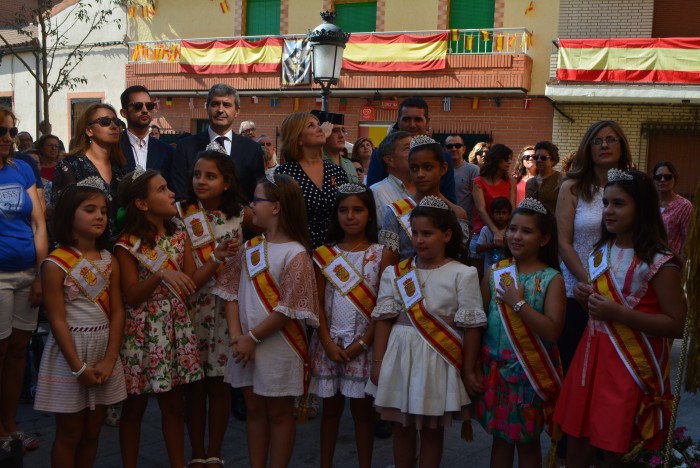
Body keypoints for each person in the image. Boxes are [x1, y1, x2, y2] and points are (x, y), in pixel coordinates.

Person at [554, 169, 687, 466]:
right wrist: (585, 297)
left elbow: (676, 324)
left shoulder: (659, 261)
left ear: (642, 208)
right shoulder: (601, 250)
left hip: (629, 364)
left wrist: (620, 314)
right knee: (577, 438)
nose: (608, 211)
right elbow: (601, 304)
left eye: (619, 204)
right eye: (606, 203)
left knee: (614, 447)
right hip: (591, 359)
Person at [367, 196, 485, 468]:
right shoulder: (396, 274)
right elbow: (384, 320)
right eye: (416, 233)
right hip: (400, 358)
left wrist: (467, 370)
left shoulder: (463, 274)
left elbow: (472, 327)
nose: (419, 240)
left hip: (437, 360)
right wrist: (377, 362)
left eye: (427, 233)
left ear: (447, 235)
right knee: (401, 428)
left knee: (432, 430)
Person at [224, 173, 320, 468]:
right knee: (254, 411)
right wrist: (237, 337)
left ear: (276, 207)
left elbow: (289, 307)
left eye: (257, 200)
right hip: (244, 345)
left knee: (279, 413)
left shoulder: (296, 253)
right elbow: (230, 293)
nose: (251, 206)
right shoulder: (249, 247)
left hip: (278, 345)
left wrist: (251, 338)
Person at [115, 169, 209, 468]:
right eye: (162, 189)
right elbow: (131, 295)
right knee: (133, 409)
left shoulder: (180, 234)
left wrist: (218, 257)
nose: (172, 194)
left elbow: (191, 279)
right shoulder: (127, 243)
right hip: (141, 332)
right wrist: (159, 275)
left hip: (175, 329)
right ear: (142, 203)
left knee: (174, 407)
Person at [34, 183, 127, 466]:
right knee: (70, 433)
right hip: (69, 355)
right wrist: (78, 367)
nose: (100, 216)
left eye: (103, 211)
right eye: (90, 210)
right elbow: (57, 319)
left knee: (92, 431)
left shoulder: (110, 259)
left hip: (101, 352)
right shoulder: (55, 264)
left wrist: (110, 359)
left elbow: (117, 311)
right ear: (68, 216)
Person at [473, 197, 566, 468]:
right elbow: (479, 320)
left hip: (529, 375)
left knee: (527, 441)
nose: (515, 236)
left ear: (544, 238)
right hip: (494, 371)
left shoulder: (552, 279)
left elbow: (552, 331)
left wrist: (518, 303)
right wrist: (474, 366)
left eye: (526, 231)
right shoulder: (495, 272)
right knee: (500, 440)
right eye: (513, 229)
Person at [178, 149, 248, 468]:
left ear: (227, 182)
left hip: (225, 308)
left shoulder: (241, 216)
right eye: (197, 174)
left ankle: (215, 452)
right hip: (191, 306)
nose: (201, 181)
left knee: (220, 384)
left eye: (210, 176)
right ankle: (195, 453)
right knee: (194, 387)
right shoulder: (180, 213)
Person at [309, 183, 386, 468]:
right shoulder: (323, 254)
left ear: (369, 214)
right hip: (329, 344)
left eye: (358, 209)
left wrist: (363, 343)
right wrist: (327, 342)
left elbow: (384, 306)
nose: (350, 216)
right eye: (343, 210)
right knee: (330, 411)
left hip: (363, 346)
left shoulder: (382, 254)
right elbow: (317, 301)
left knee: (363, 414)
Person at [555, 120, 632, 378]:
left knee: (611, 373)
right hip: (577, 290)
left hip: (621, 290)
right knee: (574, 369)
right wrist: (589, 282)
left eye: (611, 139)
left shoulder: (635, 186)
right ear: (587, 149)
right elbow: (564, 243)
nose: (604, 145)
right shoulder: (572, 186)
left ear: (622, 145)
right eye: (596, 141)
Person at [0, 107, 48, 454]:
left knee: (18, 352)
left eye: (11, 131)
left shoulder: (22, 169)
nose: (7, 138)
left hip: (27, 272)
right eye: (1, 131)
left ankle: (11, 424)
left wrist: (41, 274)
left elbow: (38, 223)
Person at [379, 136, 468, 266]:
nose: (420, 174)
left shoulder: (457, 213)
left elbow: (460, 262)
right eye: (414, 168)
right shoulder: (395, 212)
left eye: (428, 167)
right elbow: (389, 264)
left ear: (443, 168)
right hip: (406, 284)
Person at [172, 84, 265, 201]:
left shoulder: (253, 150)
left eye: (227, 105)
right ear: (207, 108)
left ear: (237, 111)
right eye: (215, 104)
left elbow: (257, 194)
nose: (220, 110)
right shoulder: (186, 147)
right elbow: (180, 193)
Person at [275, 112, 348, 248]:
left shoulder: (337, 171)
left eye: (318, 125)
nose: (320, 129)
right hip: (299, 249)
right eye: (311, 126)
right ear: (298, 138)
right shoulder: (284, 173)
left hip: (335, 252)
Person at [52, 103, 126, 234]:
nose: (114, 126)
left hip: (116, 248)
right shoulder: (70, 165)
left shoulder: (119, 168)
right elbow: (61, 216)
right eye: (105, 122)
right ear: (88, 130)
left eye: (116, 122)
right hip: (82, 247)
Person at [366, 97, 456, 203]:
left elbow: (450, 202)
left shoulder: (443, 156)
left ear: (427, 122)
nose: (412, 125)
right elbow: (371, 199)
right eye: (406, 119)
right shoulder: (380, 155)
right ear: (398, 121)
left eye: (418, 119)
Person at [470, 144, 517, 278]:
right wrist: (495, 232)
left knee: (504, 276)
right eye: (506, 159)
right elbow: (481, 209)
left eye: (510, 159)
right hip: (481, 232)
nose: (509, 162)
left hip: (505, 231)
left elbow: (512, 207)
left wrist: (508, 231)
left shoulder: (510, 181)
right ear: (496, 159)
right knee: (477, 279)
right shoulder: (478, 181)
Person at [119, 85, 174, 183]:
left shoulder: (167, 151)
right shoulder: (113, 146)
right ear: (124, 113)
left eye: (149, 106)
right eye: (138, 106)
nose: (145, 110)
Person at [370, 131, 413, 229]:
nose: (415, 152)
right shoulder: (376, 192)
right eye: (408, 148)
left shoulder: (427, 188)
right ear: (389, 160)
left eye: (415, 147)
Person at [653, 161, 692, 258]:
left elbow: (687, 240)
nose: (662, 180)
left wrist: (681, 266)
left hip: (669, 263)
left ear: (675, 179)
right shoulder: (648, 202)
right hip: (645, 261)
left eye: (668, 177)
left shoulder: (684, 206)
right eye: (658, 177)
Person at [312, 110, 359, 183]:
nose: (341, 135)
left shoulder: (349, 164)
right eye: (335, 130)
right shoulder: (317, 161)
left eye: (343, 130)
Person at [446, 134, 480, 230]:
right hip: (443, 223)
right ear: (445, 149)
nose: (453, 149)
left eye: (457, 146)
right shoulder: (440, 170)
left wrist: (473, 227)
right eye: (449, 146)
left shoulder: (473, 170)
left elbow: (477, 202)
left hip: (465, 224)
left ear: (463, 149)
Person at [525, 141, 563, 215]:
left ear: (553, 160)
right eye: (536, 157)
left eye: (543, 158)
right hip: (533, 225)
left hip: (553, 224)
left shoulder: (561, 179)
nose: (539, 160)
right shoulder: (529, 183)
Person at [476, 196, 512, 266]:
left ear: (509, 215)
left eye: (504, 213)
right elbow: (478, 249)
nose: (501, 216)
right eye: (498, 212)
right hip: (489, 268)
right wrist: (493, 245)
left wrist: (506, 243)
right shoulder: (486, 229)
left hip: (506, 268)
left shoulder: (511, 230)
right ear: (492, 214)